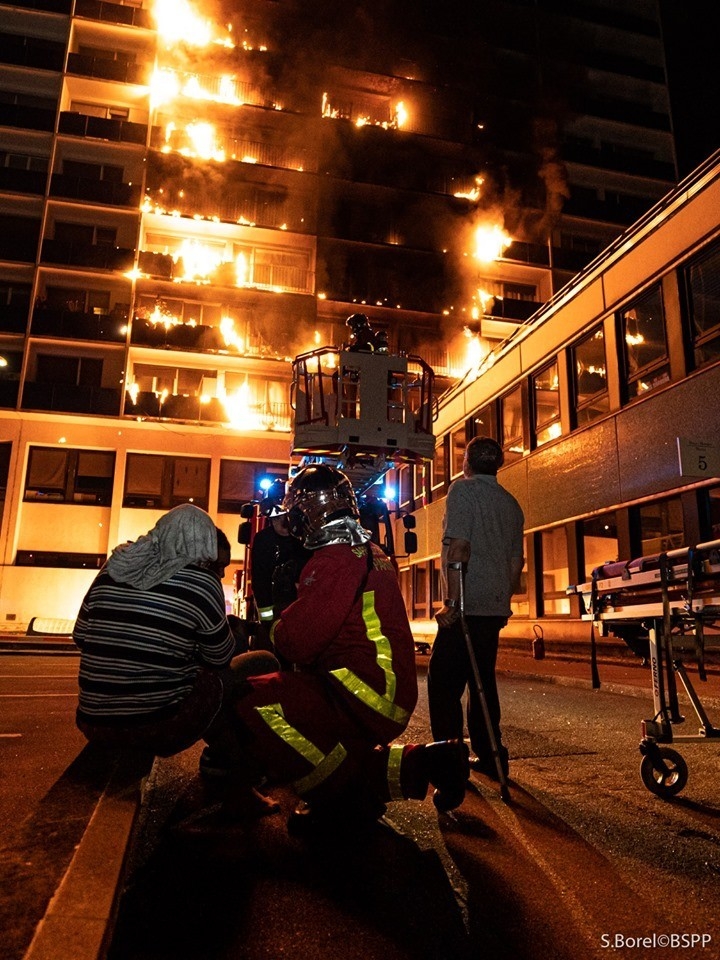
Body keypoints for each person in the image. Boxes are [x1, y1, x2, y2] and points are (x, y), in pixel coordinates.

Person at [232, 463, 469, 838]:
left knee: (254, 701)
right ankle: (427, 764)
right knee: (338, 745)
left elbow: (299, 643)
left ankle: (337, 798)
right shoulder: (367, 549)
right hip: (379, 688)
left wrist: (276, 620)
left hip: (361, 689)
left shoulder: (332, 559)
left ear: (306, 512)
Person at [72, 503, 279, 813]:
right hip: (156, 725)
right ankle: (238, 786)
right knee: (235, 676)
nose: (217, 570)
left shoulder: (113, 569)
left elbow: (80, 636)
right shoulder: (201, 581)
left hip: (93, 721)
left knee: (194, 682)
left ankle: (228, 772)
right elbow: (220, 656)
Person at [428, 436, 525, 780]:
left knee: (443, 687)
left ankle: (450, 760)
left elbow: (458, 549)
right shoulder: (511, 504)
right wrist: (504, 603)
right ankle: (491, 754)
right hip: (492, 608)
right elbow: (516, 562)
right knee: (482, 681)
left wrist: (451, 603)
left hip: (465, 608)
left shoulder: (463, 491)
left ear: (467, 463)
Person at [248, 478, 312, 632]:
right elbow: (260, 582)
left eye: (286, 517)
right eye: (277, 518)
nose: (283, 523)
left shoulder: (306, 538)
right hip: (276, 613)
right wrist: (268, 624)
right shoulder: (263, 541)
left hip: (305, 614)